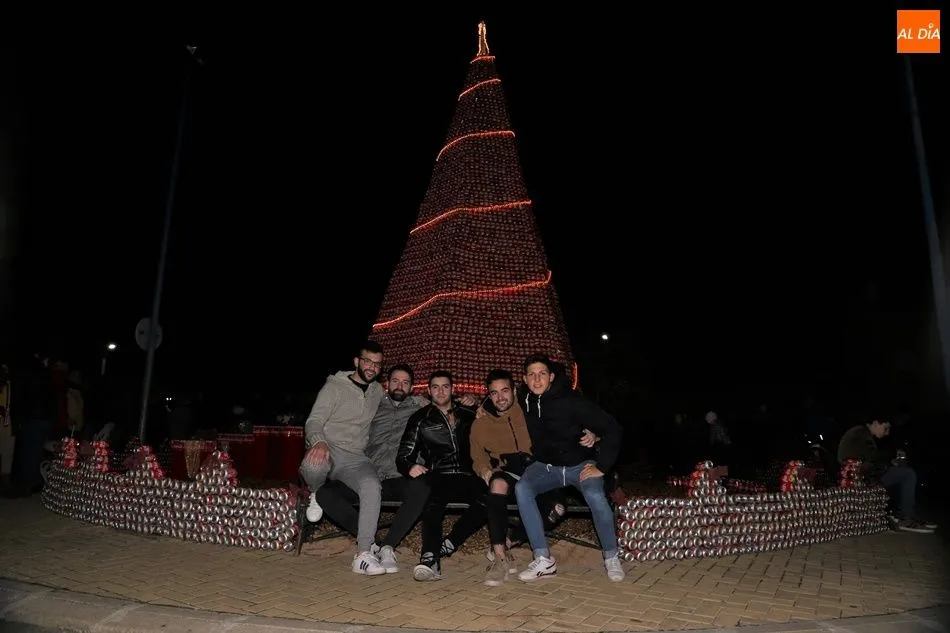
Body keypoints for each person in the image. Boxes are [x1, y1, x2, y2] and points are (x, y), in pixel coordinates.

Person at [308, 364, 474, 573]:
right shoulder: (373, 406)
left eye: (405, 382)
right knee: (325, 494)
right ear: (387, 384)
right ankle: (373, 543)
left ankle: (388, 546)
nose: (400, 386)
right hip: (369, 474)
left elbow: (443, 404)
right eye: (395, 381)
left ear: (412, 387)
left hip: (399, 477)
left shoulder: (419, 409)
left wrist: (468, 400)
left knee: (423, 488)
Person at [470, 368, 596, 586]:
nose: (500, 397)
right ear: (488, 395)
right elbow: (477, 456)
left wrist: (591, 431)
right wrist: (485, 471)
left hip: (538, 469)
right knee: (497, 483)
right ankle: (499, 559)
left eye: (505, 391)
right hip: (507, 471)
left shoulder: (530, 408)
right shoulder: (481, 422)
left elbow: (567, 417)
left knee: (557, 509)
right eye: (494, 393)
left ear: (514, 391)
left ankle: (508, 542)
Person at [514, 354, 625, 582]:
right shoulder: (524, 397)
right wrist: (479, 407)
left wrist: (602, 467)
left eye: (542, 374)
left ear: (551, 377)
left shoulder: (571, 400)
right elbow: (498, 402)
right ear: (524, 379)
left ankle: (611, 556)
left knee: (595, 495)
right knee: (522, 487)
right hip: (547, 466)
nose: (537, 379)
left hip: (579, 465)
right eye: (531, 375)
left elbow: (613, 428)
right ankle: (543, 559)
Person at [298, 341, 387, 575]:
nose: (372, 367)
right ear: (357, 362)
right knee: (313, 464)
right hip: (327, 448)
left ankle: (364, 553)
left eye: (377, 364)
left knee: (371, 485)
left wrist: (426, 401)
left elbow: (398, 403)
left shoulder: (377, 391)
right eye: (367, 361)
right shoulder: (334, 387)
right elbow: (314, 420)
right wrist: (319, 441)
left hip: (354, 457)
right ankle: (316, 492)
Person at [396, 371, 485, 581]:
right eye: (435, 387)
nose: (441, 391)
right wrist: (410, 466)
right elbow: (403, 455)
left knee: (490, 498)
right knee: (431, 503)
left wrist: (478, 403)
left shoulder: (468, 412)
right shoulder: (420, 418)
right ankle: (430, 558)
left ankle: (451, 542)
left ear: (453, 389)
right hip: (439, 474)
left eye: (445, 386)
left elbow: (494, 419)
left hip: (470, 473)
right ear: (429, 391)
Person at [837, 416, 936, 534]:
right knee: (907, 474)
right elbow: (869, 456)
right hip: (859, 477)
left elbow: (869, 457)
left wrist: (890, 462)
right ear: (875, 423)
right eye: (886, 428)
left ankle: (905, 513)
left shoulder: (862, 433)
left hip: (865, 474)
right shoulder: (861, 433)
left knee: (903, 471)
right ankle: (905, 517)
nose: (887, 433)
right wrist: (893, 455)